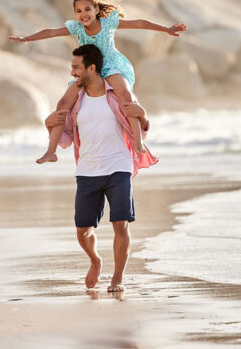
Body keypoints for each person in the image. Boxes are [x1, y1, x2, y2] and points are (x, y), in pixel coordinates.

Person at [8, 0, 187, 163]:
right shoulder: (77, 28)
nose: (83, 14)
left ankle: (138, 143)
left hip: (111, 65)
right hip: (89, 70)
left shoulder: (107, 23)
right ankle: (51, 151)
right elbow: (51, 32)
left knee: (126, 95)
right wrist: (26, 38)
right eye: (78, 11)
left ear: (96, 9)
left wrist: (166, 29)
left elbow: (138, 23)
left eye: (87, 9)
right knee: (63, 103)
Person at [46, 44, 158, 293]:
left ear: (91, 68)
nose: (72, 72)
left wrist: (145, 116)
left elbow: (139, 120)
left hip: (118, 165)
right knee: (83, 230)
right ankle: (96, 260)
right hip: (87, 170)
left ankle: (117, 278)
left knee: (121, 224)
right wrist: (47, 124)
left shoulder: (115, 93)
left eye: (76, 67)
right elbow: (63, 133)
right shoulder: (76, 99)